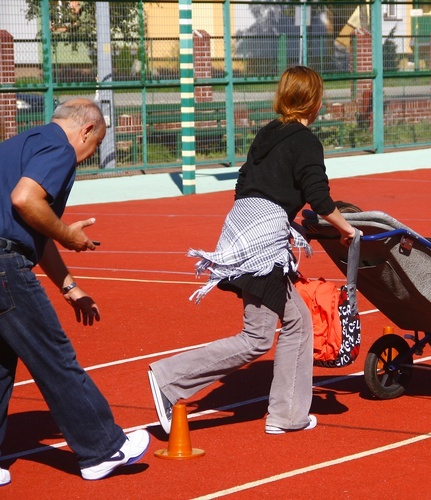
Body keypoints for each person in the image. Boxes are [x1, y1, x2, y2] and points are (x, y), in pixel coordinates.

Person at [0, 98, 150, 487]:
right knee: (52, 356)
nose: (87, 157)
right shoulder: (59, 147)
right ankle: (103, 449)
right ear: (86, 130)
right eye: (92, 148)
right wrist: (68, 233)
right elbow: (25, 201)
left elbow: (35, 225)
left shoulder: (21, 142)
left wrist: (69, 287)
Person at [147, 66, 356, 435]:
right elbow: (320, 197)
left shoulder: (268, 133)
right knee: (258, 336)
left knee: (297, 322)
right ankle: (170, 379)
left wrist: (276, 218)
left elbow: (246, 181)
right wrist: (346, 229)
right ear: (315, 102)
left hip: (242, 225)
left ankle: (287, 414)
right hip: (262, 238)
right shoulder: (305, 140)